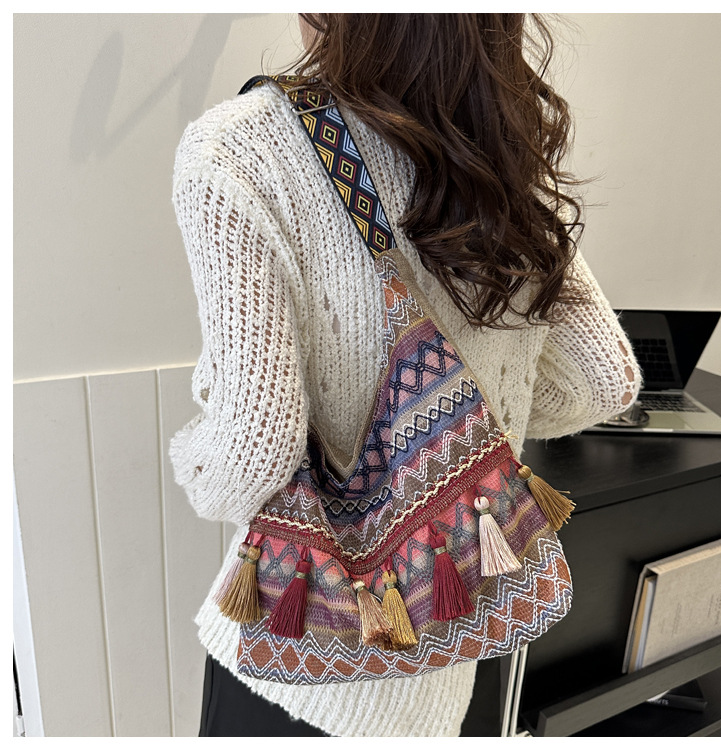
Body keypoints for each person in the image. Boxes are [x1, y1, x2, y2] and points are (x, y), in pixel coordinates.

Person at [169, 13, 642, 737]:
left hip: (305, 665)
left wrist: (190, 461)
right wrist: (459, 429)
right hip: (454, 646)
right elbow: (603, 380)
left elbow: (256, 447)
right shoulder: (495, 148)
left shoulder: (239, 148)